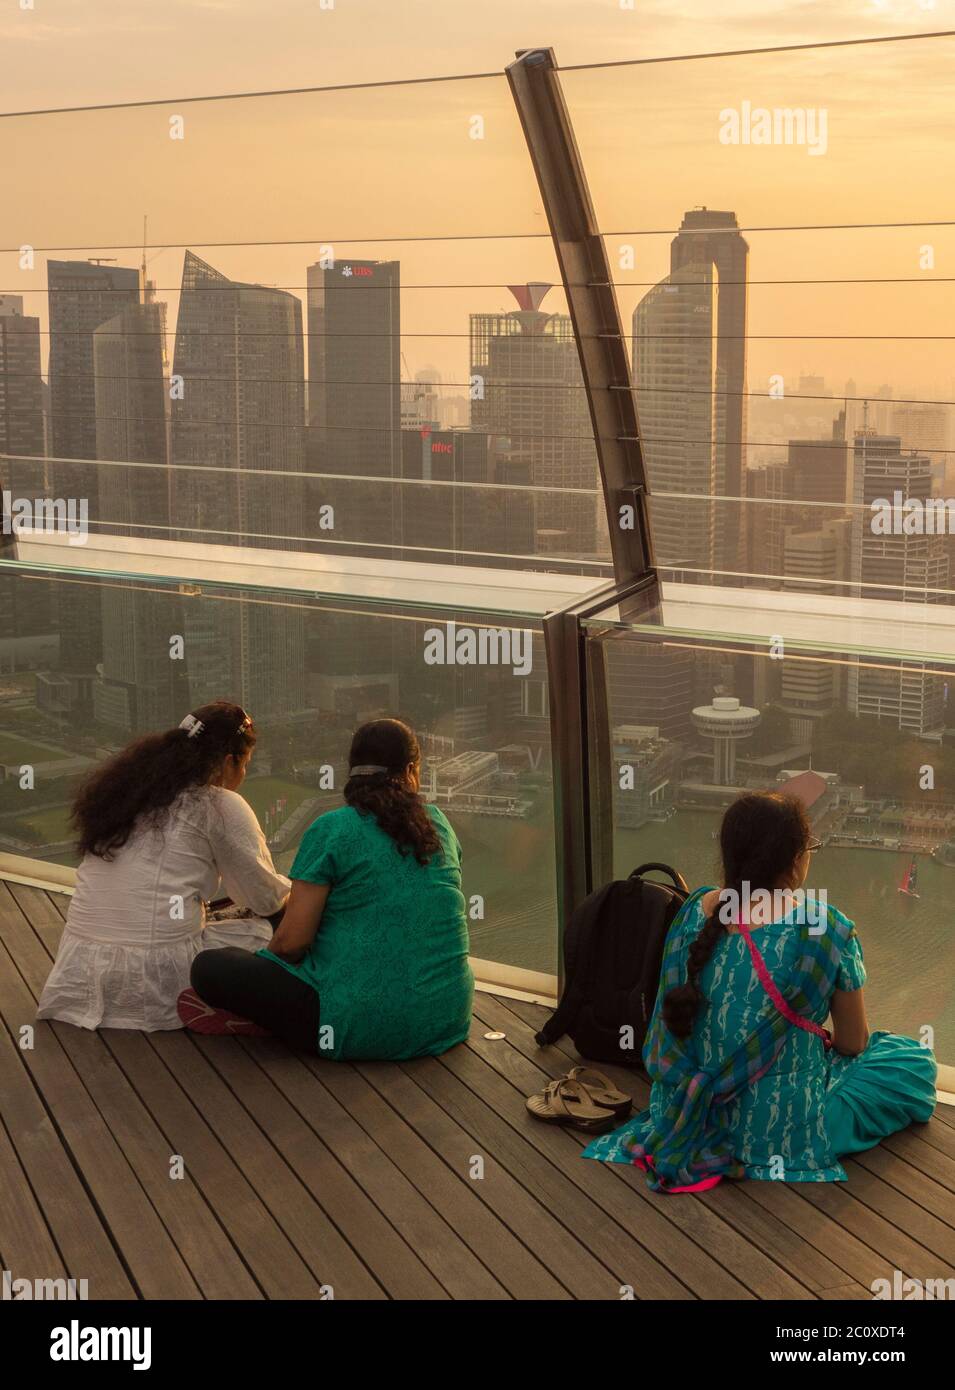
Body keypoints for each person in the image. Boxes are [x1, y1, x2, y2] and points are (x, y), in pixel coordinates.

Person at [584, 790, 937, 1192]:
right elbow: (854, 1043)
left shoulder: (695, 910)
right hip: (781, 1132)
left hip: (684, 1111)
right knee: (910, 1061)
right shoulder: (826, 926)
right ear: (794, 859)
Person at [181, 717, 474, 1060]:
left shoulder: (332, 829)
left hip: (356, 1027)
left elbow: (292, 943)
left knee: (210, 967)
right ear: (411, 770)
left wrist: (267, 975)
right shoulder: (440, 824)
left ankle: (263, 1019)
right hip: (447, 1018)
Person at [37, 701, 290, 1032]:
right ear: (229, 762)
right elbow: (265, 900)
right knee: (275, 931)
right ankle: (233, 1005)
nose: (243, 775)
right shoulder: (221, 804)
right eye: (245, 765)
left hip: (81, 967)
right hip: (157, 971)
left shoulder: (126, 794)